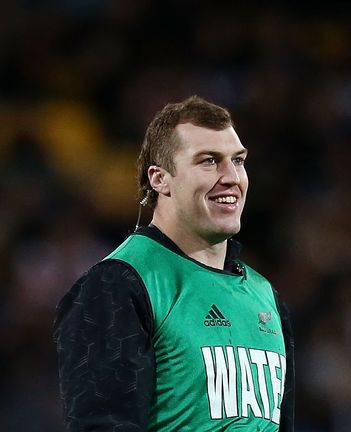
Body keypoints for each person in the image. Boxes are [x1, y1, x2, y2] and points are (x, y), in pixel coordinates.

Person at [54, 96, 295, 431]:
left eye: (238, 161)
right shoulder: (118, 285)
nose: (231, 177)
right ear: (159, 179)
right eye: (209, 161)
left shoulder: (264, 295)